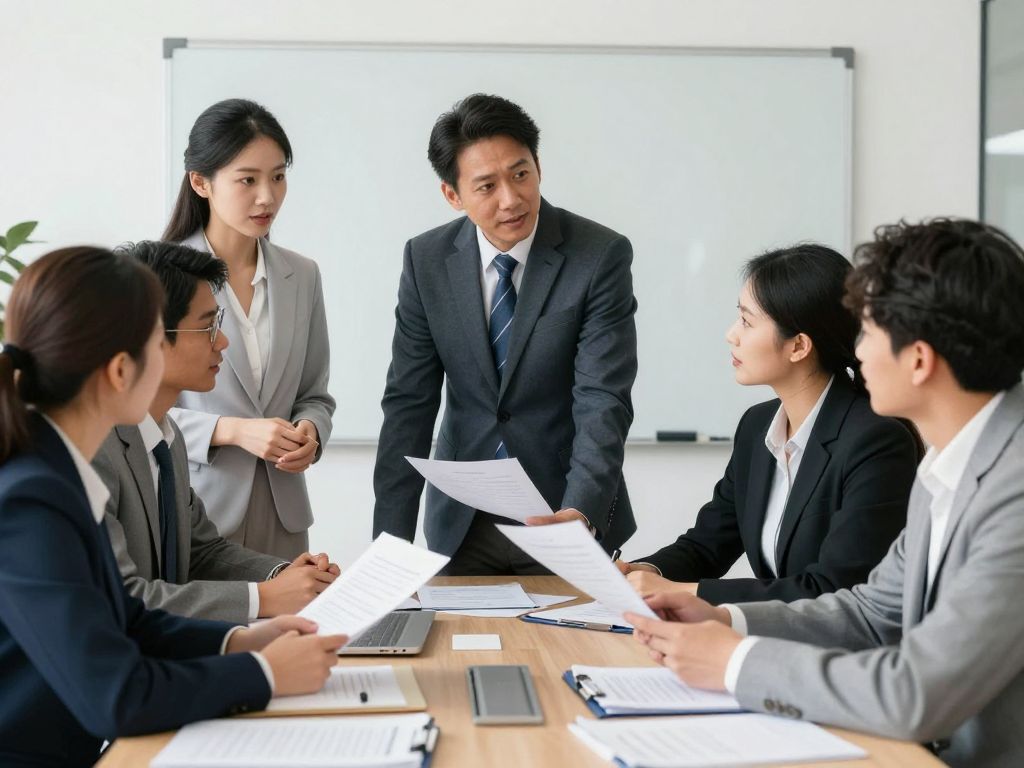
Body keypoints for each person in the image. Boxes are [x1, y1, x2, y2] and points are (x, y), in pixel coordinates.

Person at [625, 219, 1024, 768]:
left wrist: (737, 662)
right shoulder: (950, 461)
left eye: (869, 332)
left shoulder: (1014, 490)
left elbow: (916, 694)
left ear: (919, 359)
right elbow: (869, 611)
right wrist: (725, 621)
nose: (855, 350)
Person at [0, 247, 344, 767]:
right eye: (154, 348)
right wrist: (267, 674)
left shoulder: (57, 472)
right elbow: (117, 693)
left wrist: (242, 641)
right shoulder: (30, 499)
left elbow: (129, 619)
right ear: (121, 370)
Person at [372, 93, 639, 574]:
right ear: (452, 195)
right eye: (487, 185)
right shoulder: (426, 260)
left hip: (565, 515)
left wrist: (579, 512)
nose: (511, 199)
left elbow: (603, 398)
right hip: (460, 524)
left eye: (521, 174)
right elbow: (408, 406)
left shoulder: (599, 256)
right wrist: (390, 552)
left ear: (538, 165)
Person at [619, 244, 920, 604]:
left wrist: (683, 593)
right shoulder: (757, 426)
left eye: (747, 321)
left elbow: (832, 589)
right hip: (775, 639)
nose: (732, 334)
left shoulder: (875, 442)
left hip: (839, 651)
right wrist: (645, 572)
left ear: (798, 346)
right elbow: (707, 545)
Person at [93, 241, 341, 624]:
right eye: (208, 326)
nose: (222, 341)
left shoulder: (166, 437)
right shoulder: (93, 450)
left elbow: (203, 552)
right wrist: (263, 598)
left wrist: (286, 577)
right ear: (151, 337)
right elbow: (124, 598)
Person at [163, 98, 335, 560]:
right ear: (201, 182)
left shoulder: (303, 276)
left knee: (288, 629)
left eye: (278, 177)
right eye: (248, 180)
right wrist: (231, 431)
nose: (268, 196)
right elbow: (131, 411)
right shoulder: (159, 276)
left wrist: (310, 433)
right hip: (198, 509)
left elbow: (315, 394)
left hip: (285, 514)